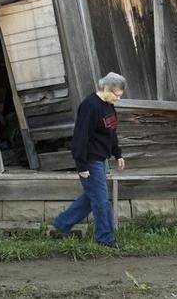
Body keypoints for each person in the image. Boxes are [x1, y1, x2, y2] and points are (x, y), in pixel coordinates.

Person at [53, 72, 126, 248]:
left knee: (91, 196)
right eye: (116, 95)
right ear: (106, 88)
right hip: (90, 160)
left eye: (120, 96)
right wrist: (81, 165)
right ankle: (105, 239)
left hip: (102, 159)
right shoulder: (90, 106)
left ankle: (62, 224)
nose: (118, 99)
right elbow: (80, 137)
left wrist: (118, 154)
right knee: (101, 201)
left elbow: (111, 132)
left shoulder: (109, 106)